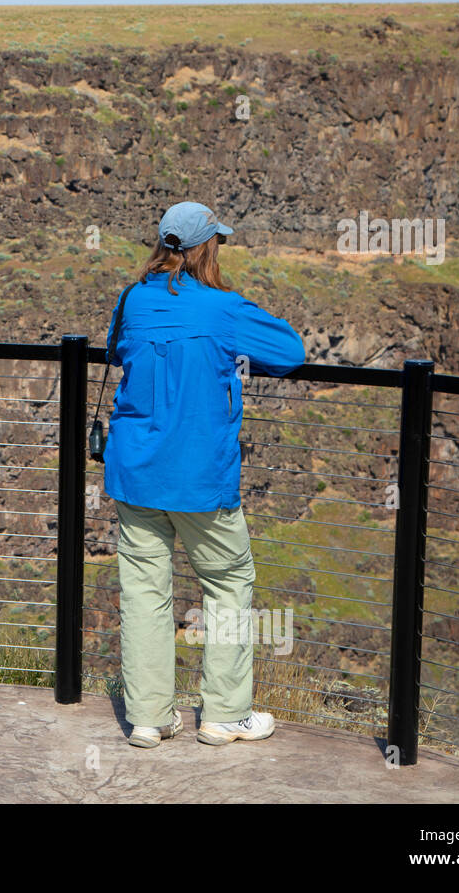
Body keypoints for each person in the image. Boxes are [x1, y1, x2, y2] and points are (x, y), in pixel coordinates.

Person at [103, 201, 305, 748]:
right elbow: (290, 352)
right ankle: (225, 713)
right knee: (228, 583)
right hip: (199, 478)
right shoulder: (224, 309)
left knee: (145, 591)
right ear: (206, 247)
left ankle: (148, 717)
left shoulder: (131, 300)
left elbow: (117, 350)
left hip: (136, 471)